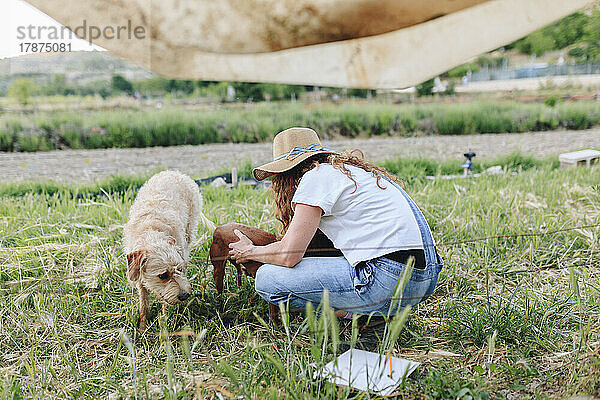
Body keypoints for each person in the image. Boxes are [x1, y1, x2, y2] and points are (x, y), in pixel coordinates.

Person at [228, 127, 442, 319]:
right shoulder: (354, 174)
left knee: (267, 280)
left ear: (286, 172)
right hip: (426, 279)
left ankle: (357, 316)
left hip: (386, 280)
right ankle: (370, 312)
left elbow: (289, 254)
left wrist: (250, 251)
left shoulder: (315, 178)